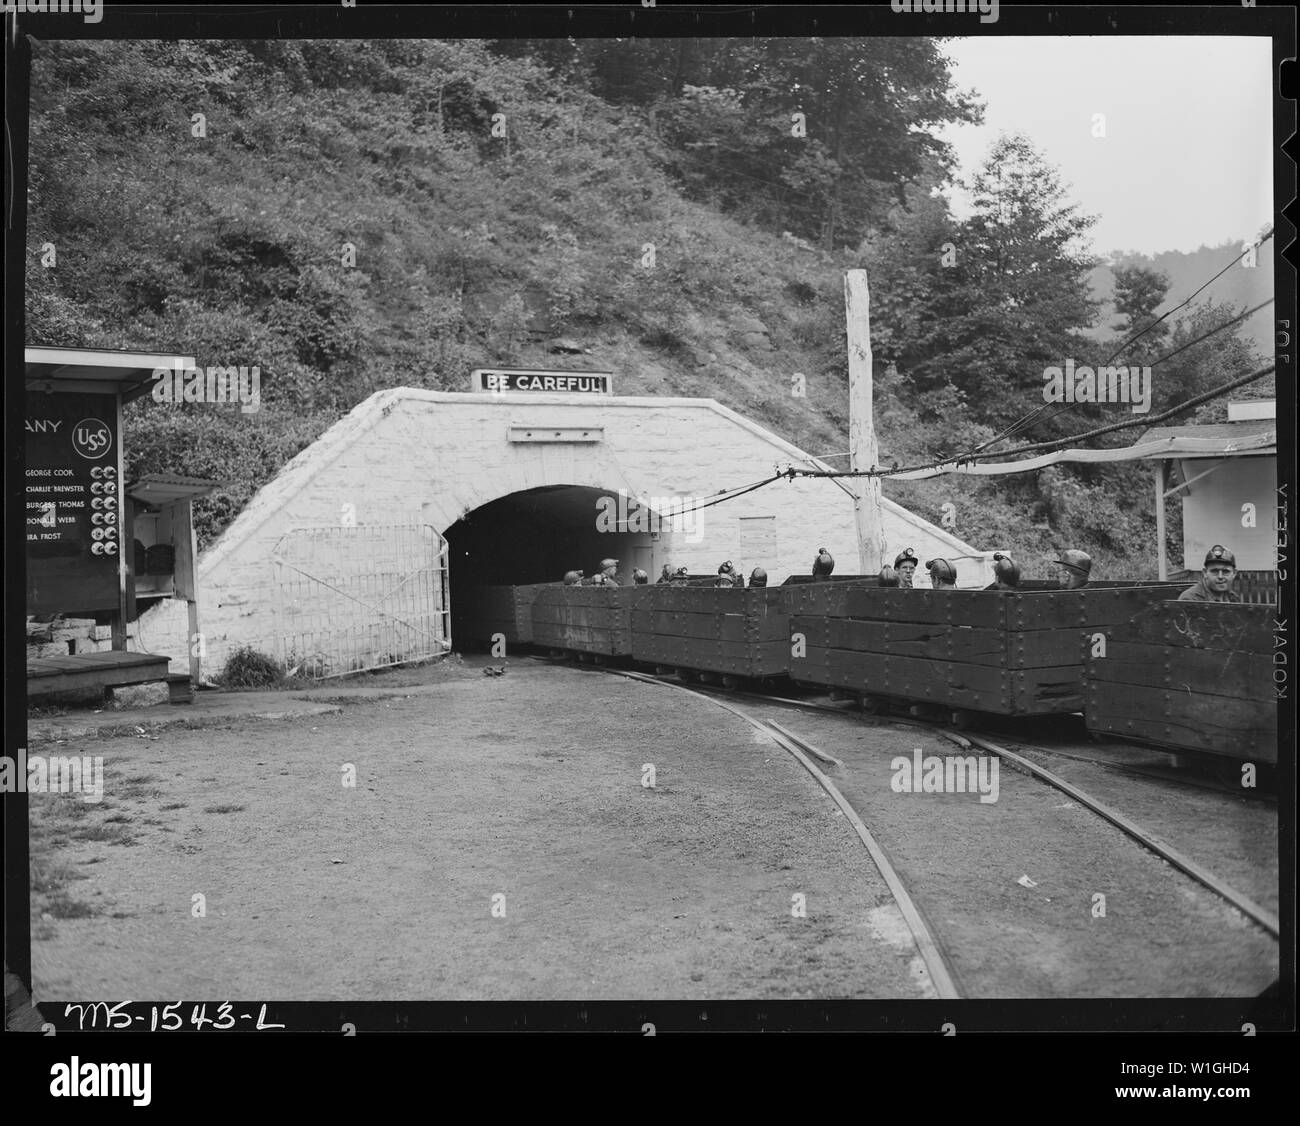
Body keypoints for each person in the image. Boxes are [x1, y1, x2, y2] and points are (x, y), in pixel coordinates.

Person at [1178, 545, 1242, 603]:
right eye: (1215, 571)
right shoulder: (1190, 599)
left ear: (1234, 573)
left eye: (1225, 572)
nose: (1220, 576)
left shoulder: (1233, 598)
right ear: (1205, 573)